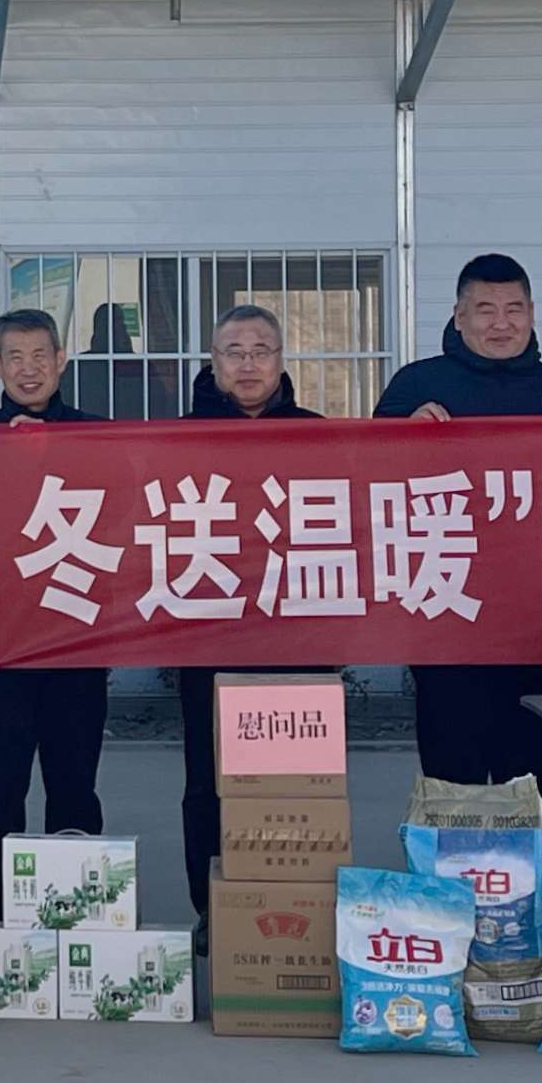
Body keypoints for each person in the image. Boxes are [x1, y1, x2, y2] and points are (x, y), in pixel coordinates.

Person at [373, 254, 542, 792]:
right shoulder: (415, 387)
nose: (501, 323)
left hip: (541, 620)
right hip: (449, 618)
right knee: (455, 787)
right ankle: (454, 853)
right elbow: (368, 481)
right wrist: (399, 437)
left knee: (530, 786)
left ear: (532, 314)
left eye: (513, 309)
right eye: (485, 310)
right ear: (458, 316)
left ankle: (527, 853)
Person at [0, 308, 107, 917]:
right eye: (14, 357)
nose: (28, 369)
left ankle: (79, 921)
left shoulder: (100, 440)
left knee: (74, 792)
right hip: (0, 658)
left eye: (40, 355)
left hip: (78, 649)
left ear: (61, 360)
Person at [171, 302, 318, 924]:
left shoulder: (318, 436)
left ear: (281, 360)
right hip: (209, 636)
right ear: (214, 362)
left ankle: (299, 905)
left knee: (297, 780)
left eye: (261, 352)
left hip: (298, 637)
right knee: (210, 781)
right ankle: (216, 915)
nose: (249, 365)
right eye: (235, 353)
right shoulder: (177, 439)